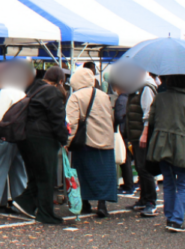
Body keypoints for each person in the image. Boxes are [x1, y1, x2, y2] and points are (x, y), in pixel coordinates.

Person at [144, 74, 185, 233]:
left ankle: (170, 217)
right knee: (183, 183)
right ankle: (177, 220)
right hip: (183, 146)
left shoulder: (160, 97)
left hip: (161, 144)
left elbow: (151, 121)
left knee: (169, 182)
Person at [11, 66, 68, 225]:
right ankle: (45, 213)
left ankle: (24, 202)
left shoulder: (33, 89)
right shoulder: (53, 92)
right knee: (46, 177)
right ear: (60, 81)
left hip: (25, 138)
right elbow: (57, 120)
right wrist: (64, 139)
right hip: (43, 139)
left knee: (35, 176)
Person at [66, 68, 117, 218]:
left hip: (86, 141)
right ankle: (102, 204)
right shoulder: (103, 95)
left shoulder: (75, 96)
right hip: (106, 140)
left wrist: (67, 141)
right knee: (104, 174)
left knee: (83, 172)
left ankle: (85, 203)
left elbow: (71, 123)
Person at [0, 62, 29, 214]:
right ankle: (22, 202)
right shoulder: (22, 92)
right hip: (21, 137)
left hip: (6, 137)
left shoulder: (5, 93)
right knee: (19, 170)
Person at [126, 72, 159, 217]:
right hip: (137, 133)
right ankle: (144, 199)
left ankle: (150, 202)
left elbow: (148, 113)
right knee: (140, 167)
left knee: (144, 168)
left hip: (142, 134)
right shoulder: (140, 87)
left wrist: (144, 133)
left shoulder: (146, 88)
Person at [113, 85, 134, 195]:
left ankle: (128, 186)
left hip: (122, 132)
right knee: (127, 160)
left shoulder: (121, 99)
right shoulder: (130, 97)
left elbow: (119, 116)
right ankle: (129, 185)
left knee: (124, 160)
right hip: (128, 132)